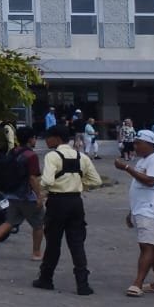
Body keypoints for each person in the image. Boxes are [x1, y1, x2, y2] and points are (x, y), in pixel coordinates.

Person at [34, 124, 102, 295]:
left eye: (48, 137)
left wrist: (43, 192)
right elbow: (96, 181)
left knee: (53, 242)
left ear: (56, 138)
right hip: (75, 202)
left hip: (57, 202)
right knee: (77, 243)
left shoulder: (52, 156)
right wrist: (79, 186)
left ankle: (46, 279)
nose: (46, 140)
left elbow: (47, 181)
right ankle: (83, 284)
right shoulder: (82, 157)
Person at [116, 129, 154, 297]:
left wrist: (126, 167)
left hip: (150, 208)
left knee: (146, 247)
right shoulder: (144, 160)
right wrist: (131, 211)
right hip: (142, 208)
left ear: (149, 144)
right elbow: (138, 186)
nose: (135, 146)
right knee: (151, 245)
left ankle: (137, 283)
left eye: (139, 143)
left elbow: (149, 181)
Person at [0, 125, 43, 261]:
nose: (35, 140)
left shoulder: (13, 152)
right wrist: (39, 196)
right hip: (26, 196)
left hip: (12, 194)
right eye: (34, 138)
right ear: (30, 139)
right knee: (38, 224)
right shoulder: (31, 155)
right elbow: (33, 178)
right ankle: (36, 253)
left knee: (9, 221)